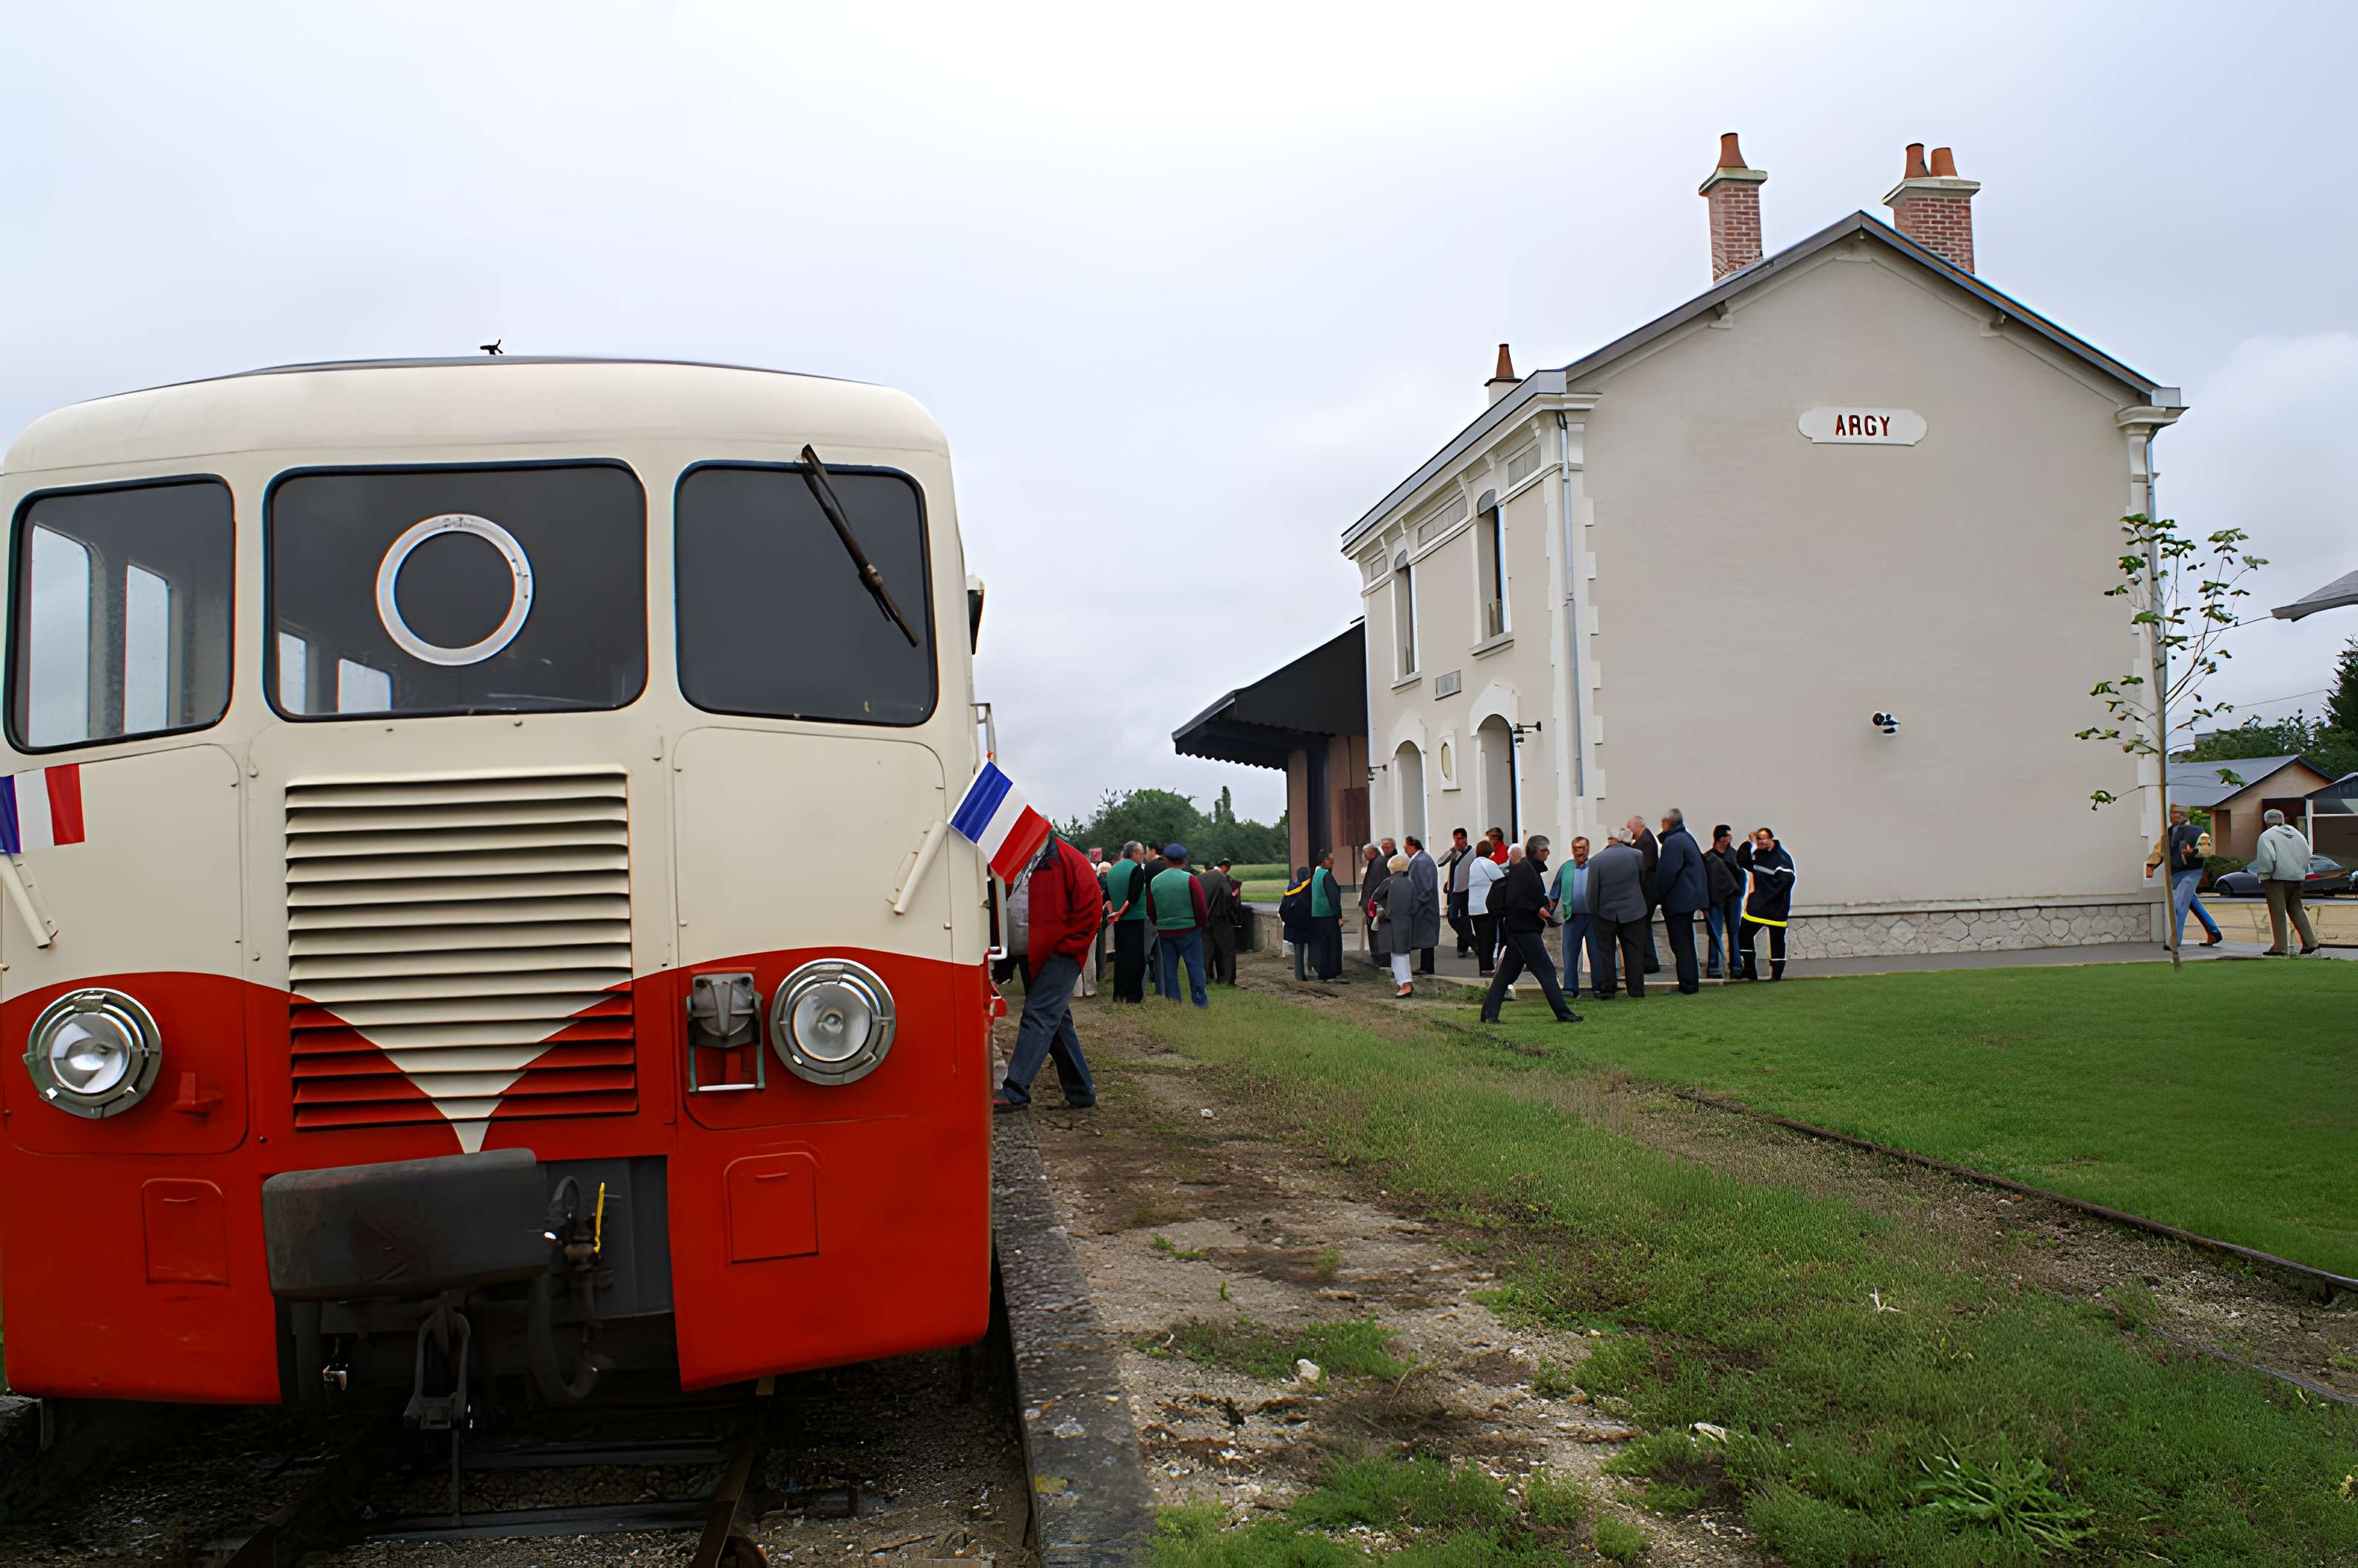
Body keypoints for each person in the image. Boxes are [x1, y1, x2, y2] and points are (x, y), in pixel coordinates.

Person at [995, 834, 1099, 1112]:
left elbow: (1091, 908)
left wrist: (1069, 948)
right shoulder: (1021, 857)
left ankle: (1015, 1090)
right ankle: (1081, 1093)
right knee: (1056, 1021)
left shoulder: (1069, 859)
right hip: (1032, 953)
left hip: (1059, 954)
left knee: (1039, 1016)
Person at [1478, 836, 1581, 1024]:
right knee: (1546, 971)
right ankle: (1563, 1013)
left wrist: (1540, 907)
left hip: (1521, 928)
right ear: (1534, 851)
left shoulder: (1528, 869)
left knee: (1507, 973)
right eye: (1543, 850)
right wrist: (1537, 909)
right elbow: (1515, 900)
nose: (1547, 853)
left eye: (1547, 850)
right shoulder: (1524, 870)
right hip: (1524, 929)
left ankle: (1488, 1013)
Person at [2145, 806, 2222, 950]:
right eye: (2171, 813)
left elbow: (2206, 850)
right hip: (2175, 873)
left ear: (2183, 815)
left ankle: (2175, 940)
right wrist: (2151, 865)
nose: (2172, 816)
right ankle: (2213, 931)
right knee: (2192, 902)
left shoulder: (2197, 831)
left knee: (2178, 905)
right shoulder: (2169, 832)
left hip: (2191, 872)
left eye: (2176, 813)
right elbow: (2159, 850)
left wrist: (2193, 851)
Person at [1586, 828, 1650, 1000]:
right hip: (1634, 911)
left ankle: (1608, 988)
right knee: (1634, 951)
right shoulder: (1637, 855)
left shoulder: (1597, 860)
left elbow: (1592, 890)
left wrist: (1594, 910)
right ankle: (1636, 990)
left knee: (1606, 952)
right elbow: (1642, 879)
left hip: (1606, 912)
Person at [2250, 808, 2321, 956]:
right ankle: (2310, 942)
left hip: (2276, 877)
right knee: (2296, 908)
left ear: (2266, 822)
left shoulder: (2266, 836)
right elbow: (2308, 854)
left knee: (2278, 911)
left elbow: (2267, 858)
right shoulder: (2298, 835)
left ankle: (2280, 947)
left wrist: (2264, 876)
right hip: (2298, 877)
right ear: (2283, 820)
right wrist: (2303, 872)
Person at [1146, 844, 1211, 1006]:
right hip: (1189, 930)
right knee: (1195, 967)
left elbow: (1151, 909)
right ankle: (1200, 1001)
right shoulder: (1190, 879)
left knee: (1169, 969)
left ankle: (1174, 1001)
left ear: (1166, 859)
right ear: (1184, 860)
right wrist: (1200, 924)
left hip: (1165, 931)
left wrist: (1159, 924)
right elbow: (1201, 906)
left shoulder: (1155, 881)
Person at [1651, 808, 1707, 995]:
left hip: (1678, 901)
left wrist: (1658, 895)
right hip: (1688, 899)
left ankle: (1688, 984)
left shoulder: (1673, 842)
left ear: (1666, 823)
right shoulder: (1686, 837)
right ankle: (1690, 981)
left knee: (1681, 943)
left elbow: (1667, 873)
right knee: (1686, 943)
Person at [1738, 827, 1795, 980]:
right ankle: (1749, 970)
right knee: (1743, 935)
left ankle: (1776, 975)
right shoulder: (1757, 854)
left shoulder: (1782, 858)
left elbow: (1787, 880)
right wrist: (1749, 844)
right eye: (1758, 838)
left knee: (1777, 942)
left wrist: (1767, 895)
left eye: (1763, 838)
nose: (1760, 841)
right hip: (1758, 908)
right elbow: (1742, 860)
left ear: (1771, 839)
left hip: (1775, 908)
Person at [1548, 836, 1598, 998]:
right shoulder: (1566, 868)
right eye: (1576, 848)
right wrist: (1549, 913)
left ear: (1588, 849)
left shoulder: (1595, 866)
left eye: (1582, 848)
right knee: (1569, 954)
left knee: (1596, 953)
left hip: (1593, 916)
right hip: (1572, 917)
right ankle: (1570, 987)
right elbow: (1554, 894)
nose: (1579, 851)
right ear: (1572, 849)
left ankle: (1598, 986)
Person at [1102, 841, 1150, 1003]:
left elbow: (1107, 897)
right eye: (1141, 854)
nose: (1143, 857)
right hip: (1134, 918)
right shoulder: (1136, 869)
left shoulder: (1113, 870)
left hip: (1118, 921)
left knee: (1121, 957)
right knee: (1135, 958)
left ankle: (1119, 993)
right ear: (1134, 853)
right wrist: (1122, 912)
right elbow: (1134, 896)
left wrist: (1114, 914)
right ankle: (1133, 995)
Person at [1702, 824, 1745, 979]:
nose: (1731, 837)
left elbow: (1742, 876)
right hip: (1715, 901)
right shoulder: (1708, 858)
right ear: (1721, 838)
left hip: (1733, 899)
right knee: (1715, 933)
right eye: (1728, 835)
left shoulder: (1734, 856)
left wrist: (1739, 894)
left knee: (1734, 932)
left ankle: (1736, 965)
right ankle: (1714, 966)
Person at [1379, 853, 1421, 996]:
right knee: (1402, 953)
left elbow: (1376, 897)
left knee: (1398, 954)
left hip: (1394, 922)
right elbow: (1416, 904)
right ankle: (1404, 983)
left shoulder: (1390, 882)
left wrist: (1386, 910)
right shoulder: (1409, 882)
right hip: (1406, 921)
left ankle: (1405, 984)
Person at [1628, 815, 1663, 974]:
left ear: (1637, 825)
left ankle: (1648, 962)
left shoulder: (1645, 841)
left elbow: (1644, 866)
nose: (1628, 830)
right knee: (1643, 927)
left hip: (1646, 893)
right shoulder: (1645, 839)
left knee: (1642, 927)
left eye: (1630, 826)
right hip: (1648, 893)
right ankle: (1648, 961)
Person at [1466, 841, 1507, 975]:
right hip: (1486, 908)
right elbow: (1501, 880)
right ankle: (1488, 968)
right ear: (1490, 852)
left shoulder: (1474, 864)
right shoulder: (1489, 864)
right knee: (1489, 939)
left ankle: (1483, 967)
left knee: (1481, 939)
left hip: (1473, 908)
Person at [1403, 835, 1442, 975]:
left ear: (1413, 846)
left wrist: (1417, 903)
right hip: (1424, 906)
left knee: (1426, 939)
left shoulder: (1422, 861)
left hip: (1425, 908)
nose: (1405, 851)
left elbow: (1426, 886)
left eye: (1406, 847)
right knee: (1426, 939)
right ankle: (1425, 967)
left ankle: (1427, 968)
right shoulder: (1421, 860)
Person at [1201, 858, 1243, 984]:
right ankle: (1226, 978)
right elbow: (1228, 897)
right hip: (1220, 918)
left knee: (1206, 949)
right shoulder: (1222, 879)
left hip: (1203, 919)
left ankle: (1206, 977)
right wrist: (1234, 913)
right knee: (1226, 949)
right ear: (1225, 867)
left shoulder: (1200, 878)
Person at [1309, 851, 1346, 980]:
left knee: (1323, 946)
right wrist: (1339, 916)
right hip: (1328, 914)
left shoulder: (1316, 874)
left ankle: (1323, 971)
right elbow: (1334, 898)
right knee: (1333, 945)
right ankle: (1333, 972)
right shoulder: (1327, 875)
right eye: (1330, 859)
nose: (1332, 862)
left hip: (1317, 914)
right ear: (1324, 860)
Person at [1443, 827, 1477, 956]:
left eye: (1461, 838)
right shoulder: (1454, 852)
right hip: (1453, 890)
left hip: (1465, 890)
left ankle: (1470, 944)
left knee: (1458, 919)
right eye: (1457, 838)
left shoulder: (1473, 852)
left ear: (1466, 839)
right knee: (1458, 919)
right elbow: (1440, 862)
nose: (1459, 841)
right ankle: (1467, 945)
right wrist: (1451, 850)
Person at [1278, 865, 1315, 979]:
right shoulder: (1309, 888)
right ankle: (1310, 970)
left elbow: (1282, 909)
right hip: (1306, 925)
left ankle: (1299, 974)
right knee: (1312, 948)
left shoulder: (1290, 889)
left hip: (1293, 926)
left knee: (1298, 951)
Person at [1362, 844, 1393, 972]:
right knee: (1373, 932)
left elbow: (1376, 885)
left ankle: (1381, 958)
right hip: (1372, 904)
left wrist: (1371, 902)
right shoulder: (1375, 862)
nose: (1364, 855)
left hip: (1376, 905)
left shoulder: (1380, 863)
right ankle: (1376, 956)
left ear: (1373, 852)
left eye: (1365, 852)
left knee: (1377, 932)